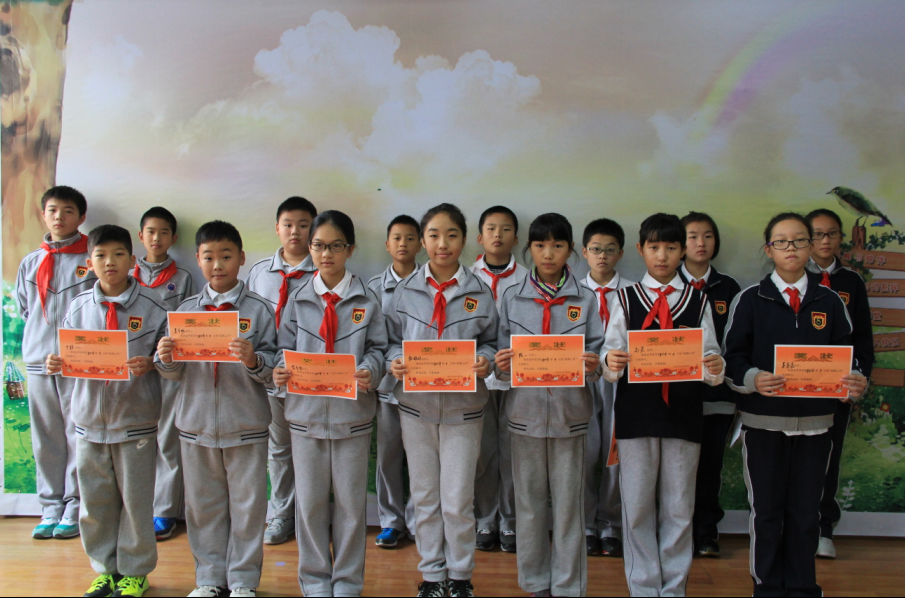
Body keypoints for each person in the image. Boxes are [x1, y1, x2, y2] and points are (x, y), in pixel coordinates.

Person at [723, 212, 868, 597]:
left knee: (806, 514)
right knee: (767, 513)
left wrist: (855, 378)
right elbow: (731, 360)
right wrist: (753, 378)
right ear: (768, 249)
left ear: (811, 246)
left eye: (800, 240)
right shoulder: (750, 300)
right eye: (782, 242)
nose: (792, 248)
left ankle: (804, 588)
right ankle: (768, 588)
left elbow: (848, 356)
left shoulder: (830, 301)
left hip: (818, 426)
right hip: (763, 424)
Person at [602, 213, 725, 597]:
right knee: (637, 506)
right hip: (636, 416)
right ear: (641, 250)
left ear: (682, 250)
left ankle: (673, 588)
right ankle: (643, 586)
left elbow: (712, 359)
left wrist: (714, 366)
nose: (662, 256)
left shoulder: (698, 300)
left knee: (678, 506)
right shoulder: (625, 299)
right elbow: (609, 355)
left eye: (671, 247)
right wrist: (611, 361)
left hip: (684, 416)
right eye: (654, 247)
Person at [155, 221, 277, 598]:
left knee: (248, 507)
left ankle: (242, 581)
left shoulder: (260, 310)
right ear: (198, 259)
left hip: (246, 426)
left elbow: (275, 368)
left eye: (226, 256)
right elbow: (171, 372)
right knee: (203, 507)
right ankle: (209, 578)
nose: (218, 264)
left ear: (242, 258)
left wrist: (254, 359)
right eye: (209, 257)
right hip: (195, 427)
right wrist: (165, 358)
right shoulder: (185, 311)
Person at [46, 224, 168, 598]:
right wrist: (57, 363)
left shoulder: (153, 307)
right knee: (95, 503)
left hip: (135, 422)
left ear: (132, 260)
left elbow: (170, 361)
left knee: (135, 502)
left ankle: (135, 572)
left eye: (118, 254)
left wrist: (151, 364)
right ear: (90, 262)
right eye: (100, 255)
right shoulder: (78, 306)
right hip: (88, 423)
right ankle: (105, 570)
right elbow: (68, 356)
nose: (109, 262)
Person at [273, 210, 387, 597]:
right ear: (310, 248)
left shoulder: (367, 299)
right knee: (310, 506)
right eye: (319, 246)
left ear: (350, 250)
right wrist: (280, 369)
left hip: (352, 418)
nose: (326, 254)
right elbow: (282, 348)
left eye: (335, 246)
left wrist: (371, 369)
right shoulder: (298, 299)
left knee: (352, 507)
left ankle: (348, 582)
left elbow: (379, 348)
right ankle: (315, 581)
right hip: (304, 419)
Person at [386, 203, 498, 598]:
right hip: (415, 409)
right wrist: (394, 361)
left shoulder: (479, 291)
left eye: (451, 235)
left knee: (457, 499)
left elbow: (492, 341)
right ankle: (433, 576)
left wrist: (485, 360)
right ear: (422, 241)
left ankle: (461, 576)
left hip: (464, 411)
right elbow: (388, 342)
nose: (442, 243)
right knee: (425, 498)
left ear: (464, 241)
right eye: (433, 235)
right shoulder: (404, 291)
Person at [495, 213, 603, 597]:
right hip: (523, 417)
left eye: (557, 245)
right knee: (529, 505)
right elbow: (499, 356)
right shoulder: (511, 296)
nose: (548, 253)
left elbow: (598, 354)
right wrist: (502, 364)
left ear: (570, 250)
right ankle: (535, 582)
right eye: (540, 245)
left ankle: (569, 585)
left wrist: (593, 364)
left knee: (570, 506)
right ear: (530, 248)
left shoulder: (585, 298)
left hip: (570, 418)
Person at [15, 185, 96, 539]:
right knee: (45, 437)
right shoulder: (31, 262)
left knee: (78, 434)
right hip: (38, 360)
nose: (59, 217)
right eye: (52, 210)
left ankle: (75, 505)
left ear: (81, 217)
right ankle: (49, 507)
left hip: (77, 362)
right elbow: (25, 309)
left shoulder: (91, 259)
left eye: (67, 211)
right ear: (44, 214)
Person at [245, 196, 319, 546]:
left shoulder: (323, 270)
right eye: (288, 225)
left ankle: (311, 517)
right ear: (277, 228)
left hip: (309, 378)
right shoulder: (259, 272)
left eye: (304, 225)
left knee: (310, 449)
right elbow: (249, 320)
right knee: (278, 449)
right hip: (269, 374)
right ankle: (281, 514)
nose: (295, 232)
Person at [805, 208, 875, 559]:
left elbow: (863, 339)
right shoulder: (793, 277)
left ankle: (823, 528)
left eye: (832, 233)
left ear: (841, 239)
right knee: (794, 460)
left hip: (837, 389)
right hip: (797, 386)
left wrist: (857, 379)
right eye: (817, 234)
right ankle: (792, 527)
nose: (825, 240)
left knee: (828, 458)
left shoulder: (852, 282)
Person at [677, 212, 742, 558]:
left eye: (708, 236)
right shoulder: (667, 285)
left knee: (709, 467)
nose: (700, 243)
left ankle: (705, 533)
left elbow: (738, 343)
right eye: (692, 236)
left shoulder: (730, 289)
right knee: (676, 470)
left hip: (717, 396)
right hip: (675, 396)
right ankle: (676, 533)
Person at [133, 207, 196, 541]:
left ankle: (165, 511)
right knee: (136, 440)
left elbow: (185, 325)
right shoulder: (126, 273)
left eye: (163, 232)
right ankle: (136, 509)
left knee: (168, 439)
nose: (156, 238)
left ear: (173, 238)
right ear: (140, 235)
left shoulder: (182, 278)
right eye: (150, 231)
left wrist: (162, 359)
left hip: (168, 369)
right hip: (131, 369)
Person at [470, 205, 527, 554]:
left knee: (512, 453)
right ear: (479, 237)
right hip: (478, 380)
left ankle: (510, 521)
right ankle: (485, 519)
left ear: (516, 239)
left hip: (517, 379)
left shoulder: (528, 279)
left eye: (506, 229)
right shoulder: (466, 277)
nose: (498, 235)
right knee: (483, 453)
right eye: (491, 228)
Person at [579, 217, 635, 559]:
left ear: (621, 253)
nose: (602, 256)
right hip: (582, 383)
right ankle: (586, 525)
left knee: (615, 455)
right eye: (596, 249)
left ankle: (611, 525)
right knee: (584, 454)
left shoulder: (633, 293)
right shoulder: (572, 292)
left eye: (610, 250)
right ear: (584, 252)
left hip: (619, 382)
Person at [368, 214, 421, 549]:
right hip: (388, 387)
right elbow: (371, 339)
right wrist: (390, 362)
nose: (403, 244)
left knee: (420, 460)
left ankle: (418, 521)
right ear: (387, 244)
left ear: (421, 244)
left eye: (410, 238)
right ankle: (390, 522)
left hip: (424, 388)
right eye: (397, 238)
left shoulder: (432, 284)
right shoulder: (373, 288)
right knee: (388, 456)